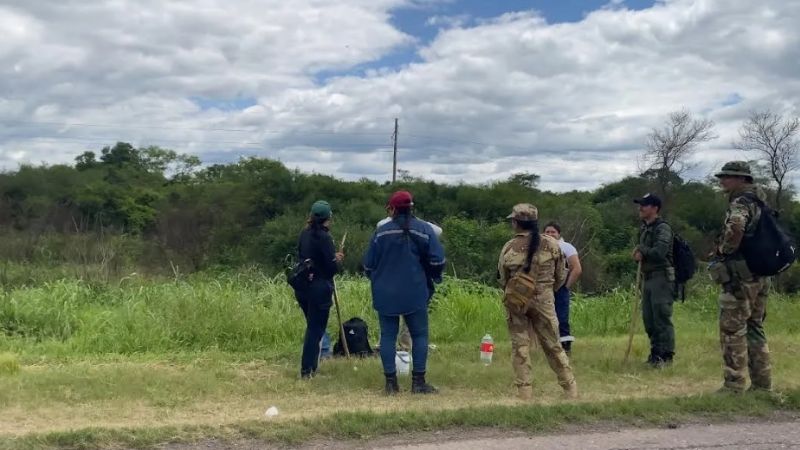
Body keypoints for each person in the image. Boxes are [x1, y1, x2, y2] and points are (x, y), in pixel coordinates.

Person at [363, 190, 446, 395]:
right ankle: (418, 383)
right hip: (415, 291)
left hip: (385, 293)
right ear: (411, 208)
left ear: (392, 209)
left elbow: (367, 265)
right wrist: (430, 275)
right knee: (419, 335)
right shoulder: (424, 229)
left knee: (388, 337)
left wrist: (378, 279)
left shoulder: (381, 232)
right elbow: (438, 261)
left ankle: (391, 385)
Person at [498, 204, 577, 400]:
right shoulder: (553, 245)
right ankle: (570, 388)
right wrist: (546, 290)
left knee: (520, 346)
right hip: (545, 299)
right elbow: (561, 276)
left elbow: (502, 277)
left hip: (517, 301)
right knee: (553, 344)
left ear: (516, 223)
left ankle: (525, 391)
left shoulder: (509, 247)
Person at [710, 161, 771, 393]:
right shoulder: (761, 201)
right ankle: (763, 384)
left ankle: (733, 385)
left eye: (729, 176)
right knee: (755, 326)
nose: (723, 180)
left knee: (732, 329)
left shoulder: (741, 202)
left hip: (741, 276)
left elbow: (736, 227)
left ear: (743, 179)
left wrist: (724, 250)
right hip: (761, 274)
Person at [377, 214, 443, 352]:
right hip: (409, 281)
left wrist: (413, 220)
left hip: (395, 281)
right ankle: (402, 346)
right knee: (404, 317)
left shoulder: (390, 230)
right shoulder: (391, 227)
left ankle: (401, 346)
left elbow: (438, 231)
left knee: (401, 319)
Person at [293, 200, 344, 378]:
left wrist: (330, 258)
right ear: (328, 218)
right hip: (319, 287)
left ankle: (310, 368)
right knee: (315, 330)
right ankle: (307, 370)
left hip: (302, 286)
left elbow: (304, 255)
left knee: (312, 327)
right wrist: (336, 259)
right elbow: (331, 269)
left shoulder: (304, 234)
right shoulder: (324, 237)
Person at [632, 193, 675, 367]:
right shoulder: (644, 228)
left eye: (645, 205)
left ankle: (666, 355)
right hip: (648, 277)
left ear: (655, 208)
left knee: (661, 317)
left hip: (661, 278)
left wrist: (641, 249)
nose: (641, 208)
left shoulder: (662, 228)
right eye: (640, 204)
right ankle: (655, 353)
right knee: (649, 319)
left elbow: (659, 252)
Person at [543, 222, 583, 354]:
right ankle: (549, 346)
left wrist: (566, 286)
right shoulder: (540, 248)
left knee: (561, 317)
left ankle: (565, 347)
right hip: (544, 287)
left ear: (558, 233)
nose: (550, 234)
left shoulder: (566, 247)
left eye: (552, 232)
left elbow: (576, 268)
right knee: (545, 317)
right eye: (547, 232)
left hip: (560, 288)